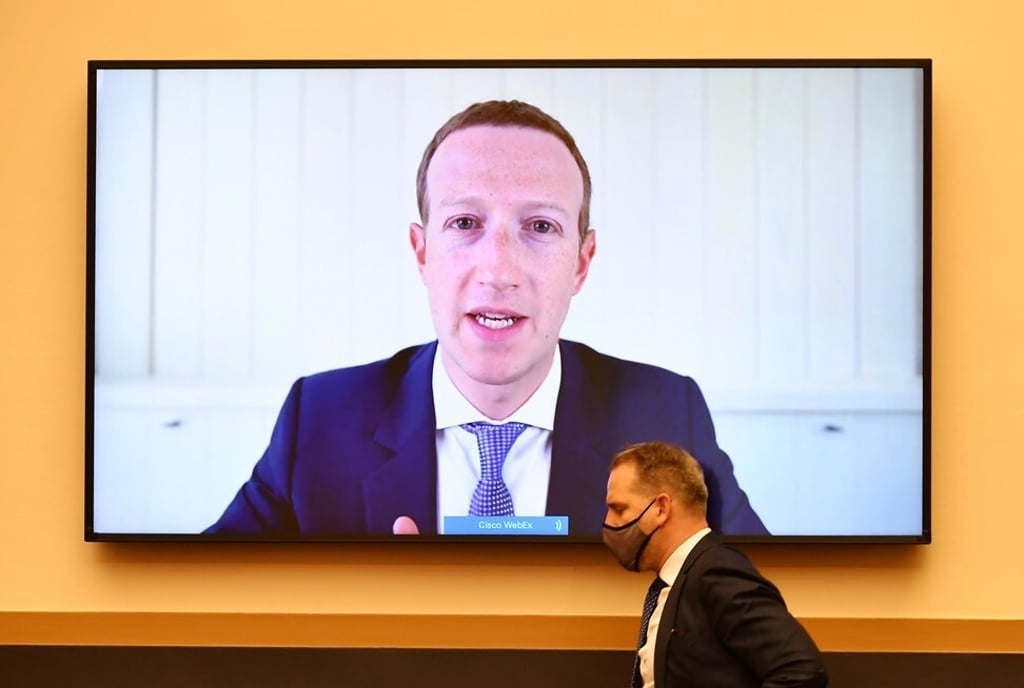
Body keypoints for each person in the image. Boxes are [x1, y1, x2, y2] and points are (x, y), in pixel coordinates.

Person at [205, 100, 767, 538]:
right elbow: (201, 602)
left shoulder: (667, 417)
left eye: (540, 227)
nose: (498, 270)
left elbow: (764, 606)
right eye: (465, 223)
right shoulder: (319, 421)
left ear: (582, 262)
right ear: (422, 253)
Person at [603, 441, 827, 687]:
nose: (609, 522)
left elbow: (801, 670)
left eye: (618, 509)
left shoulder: (716, 572)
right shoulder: (676, 580)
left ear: (661, 509)